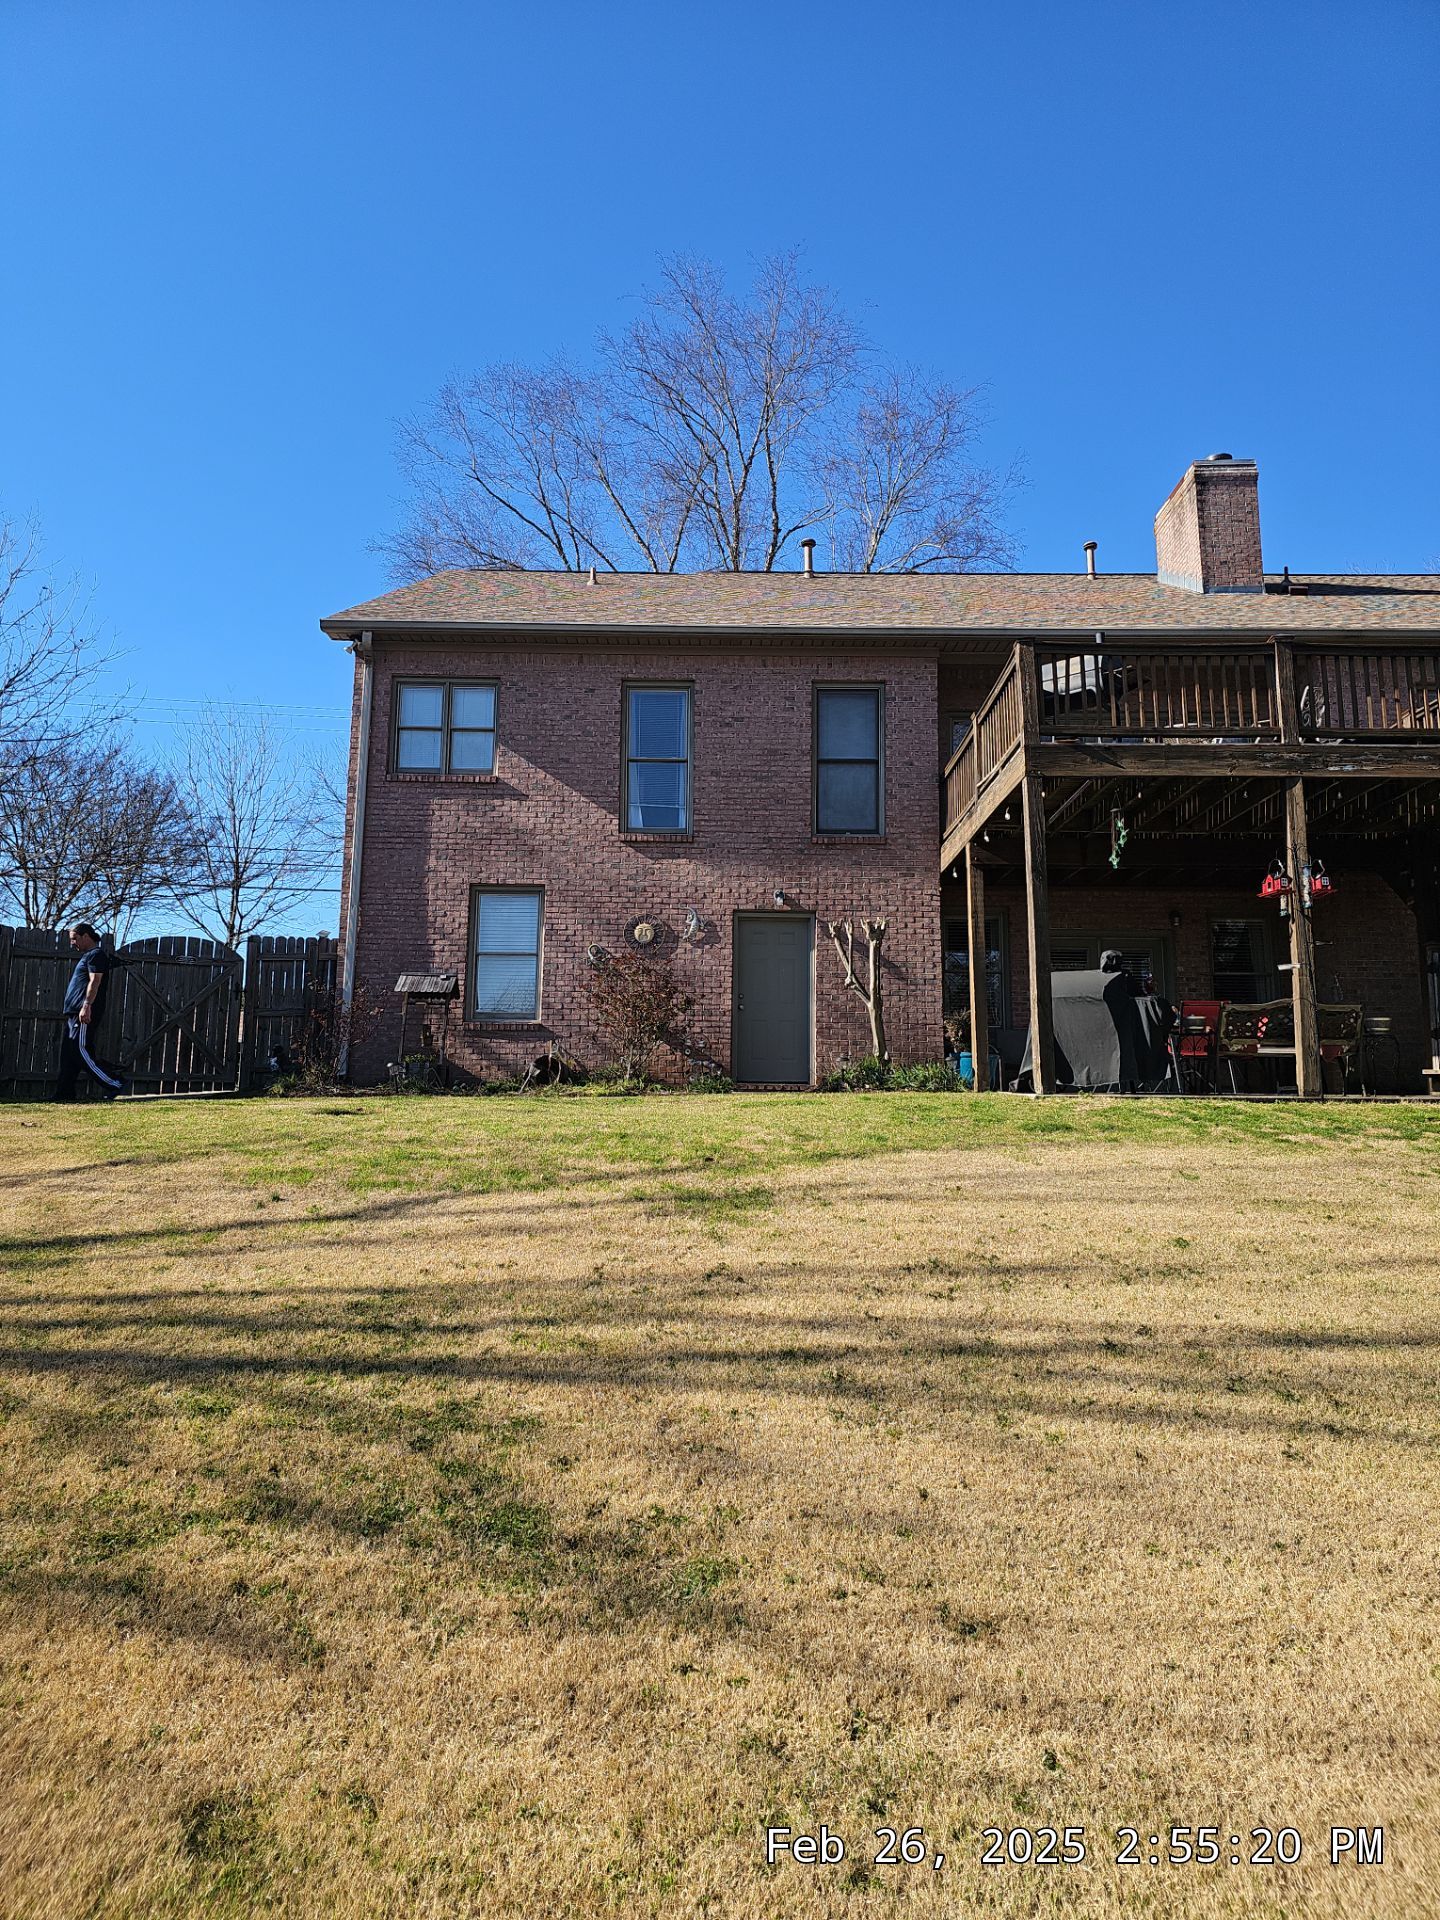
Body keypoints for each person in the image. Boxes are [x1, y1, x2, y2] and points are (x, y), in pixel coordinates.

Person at [56, 923, 127, 1101]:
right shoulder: (88, 956)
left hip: (84, 1012)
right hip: (74, 1013)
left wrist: (86, 1005)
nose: (72, 943)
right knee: (68, 1055)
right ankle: (64, 1094)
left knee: (79, 1050)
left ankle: (116, 1083)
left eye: (75, 938)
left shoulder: (96, 955)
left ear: (86, 936)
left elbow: (95, 981)